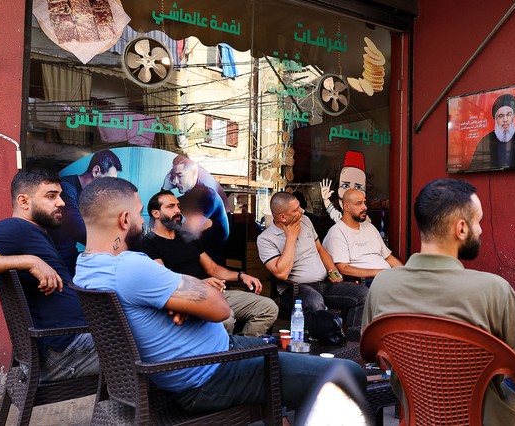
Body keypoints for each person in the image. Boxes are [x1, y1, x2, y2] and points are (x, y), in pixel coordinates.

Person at [73, 177, 366, 414]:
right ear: (125, 219)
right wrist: (192, 294)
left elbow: (192, 294)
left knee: (286, 355)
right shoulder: (132, 266)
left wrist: (180, 298)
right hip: (207, 376)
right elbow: (219, 309)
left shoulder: (85, 268)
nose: (140, 220)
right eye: (138, 213)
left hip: (211, 353)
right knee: (348, 373)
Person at [362, 178, 515, 426]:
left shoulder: (382, 285)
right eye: (477, 222)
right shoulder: (494, 290)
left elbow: (373, 355)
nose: (480, 230)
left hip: (420, 414)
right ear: (461, 229)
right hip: (485, 419)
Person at [0, 169, 98, 382]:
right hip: (64, 352)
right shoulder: (15, 228)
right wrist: (29, 261)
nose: (61, 203)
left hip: (68, 345)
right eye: (51, 196)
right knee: (159, 344)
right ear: (23, 201)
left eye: (59, 195)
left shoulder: (32, 233)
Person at [142, 190, 278, 337]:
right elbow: (165, 280)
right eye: (170, 207)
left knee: (268, 307)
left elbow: (212, 268)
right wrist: (200, 284)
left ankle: (240, 349)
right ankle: (222, 352)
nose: (177, 210)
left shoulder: (187, 238)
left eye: (178, 206)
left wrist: (241, 276)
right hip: (185, 299)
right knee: (226, 318)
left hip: (211, 293)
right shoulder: (149, 243)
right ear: (155, 213)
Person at [257, 191, 368, 335]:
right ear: (282, 217)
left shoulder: (305, 221)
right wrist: (291, 237)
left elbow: (320, 249)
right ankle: (320, 346)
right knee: (314, 300)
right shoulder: (266, 239)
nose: (302, 210)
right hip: (295, 290)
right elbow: (281, 273)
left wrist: (333, 271)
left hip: (324, 284)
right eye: (296, 209)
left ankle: (353, 341)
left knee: (363, 294)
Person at [48, 149, 122, 275]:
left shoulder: (93, 195)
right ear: (96, 171)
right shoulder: (65, 188)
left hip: (71, 257)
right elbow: (77, 227)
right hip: (54, 262)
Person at [322, 189, 402, 287]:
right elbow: (343, 268)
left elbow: (388, 257)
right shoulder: (337, 232)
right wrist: (382, 273)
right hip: (364, 283)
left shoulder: (369, 227)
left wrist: (405, 273)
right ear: (346, 207)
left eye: (364, 202)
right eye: (359, 203)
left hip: (386, 277)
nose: (364, 207)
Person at [162, 155, 229, 264]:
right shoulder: (185, 198)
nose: (174, 181)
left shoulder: (207, 197)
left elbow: (185, 232)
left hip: (208, 268)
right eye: (173, 176)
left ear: (194, 173)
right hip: (194, 263)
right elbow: (158, 217)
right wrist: (165, 188)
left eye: (179, 175)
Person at [320, 150, 367, 223]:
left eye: (358, 187)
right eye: (345, 185)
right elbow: (333, 212)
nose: (351, 193)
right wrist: (326, 199)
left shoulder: (368, 225)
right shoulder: (338, 227)